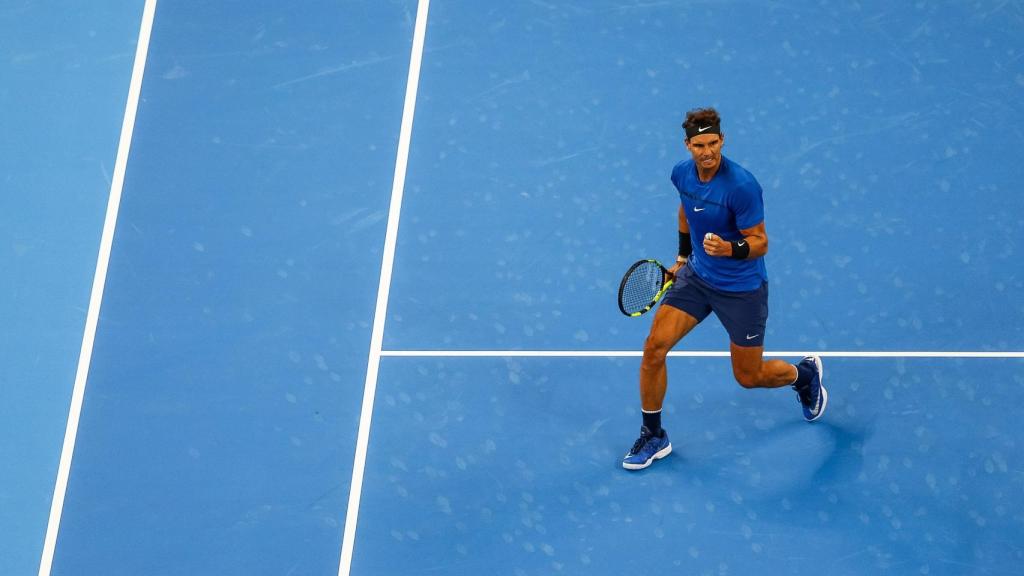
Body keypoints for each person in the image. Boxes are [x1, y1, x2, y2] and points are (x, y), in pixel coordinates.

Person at [622, 107, 827, 470]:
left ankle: (804, 376)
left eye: (713, 143)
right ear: (687, 145)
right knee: (654, 348)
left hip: (741, 289)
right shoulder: (681, 175)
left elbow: (761, 242)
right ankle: (654, 434)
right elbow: (687, 211)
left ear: (723, 140)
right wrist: (684, 257)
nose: (707, 152)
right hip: (698, 279)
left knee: (749, 377)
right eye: (699, 145)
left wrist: (730, 249)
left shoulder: (742, 186)